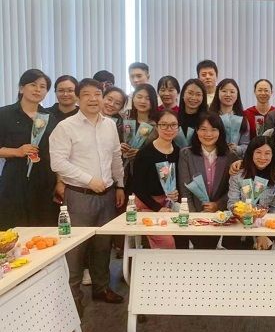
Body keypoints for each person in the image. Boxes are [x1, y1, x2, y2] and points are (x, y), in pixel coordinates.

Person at [49, 78, 126, 313]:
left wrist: (120, 185)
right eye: (86, 94)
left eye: (97, 94)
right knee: (75, 249)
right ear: (77, 98)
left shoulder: (110, 125)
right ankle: (72, 299)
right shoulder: (65, 127)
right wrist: (88, 180)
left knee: (103, 246)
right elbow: (58, 163)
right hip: (79, 196)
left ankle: (101, 288)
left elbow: (115, 157)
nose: (93, 99)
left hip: (108, 196)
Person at [0, 69, 59, 228]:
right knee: (14, 227)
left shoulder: (50, 117)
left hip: (45, 180)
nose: (38, 89)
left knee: (44, 227)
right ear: (21, 88)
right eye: (33, 84)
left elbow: (57, 152)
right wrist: (16, 151)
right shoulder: (4, 114)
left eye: (42, 86)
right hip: (15, 179)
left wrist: (60, 181)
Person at [178, 112, 239, 250]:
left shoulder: (230, 156)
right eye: (203, 129)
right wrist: (195, 219)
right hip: (195, 216)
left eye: (213, 129)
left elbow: (233, 190)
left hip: (221, 217)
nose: (208, 134)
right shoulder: (186, 154)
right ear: (196, 131)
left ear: (220, 132)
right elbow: (185, 190)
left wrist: (218, 205)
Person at [131, 110, 181, 249]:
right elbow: (138, 187)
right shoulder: (145, 153)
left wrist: (176, 193)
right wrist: (157, 208)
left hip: (169, 204)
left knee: (184, 233)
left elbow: (177, 180)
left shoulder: (178, 151)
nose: (169, 129)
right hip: (146, 205)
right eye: (164, 125)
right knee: (167, 242)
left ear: (178, 128)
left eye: (173, 125)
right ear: (157, 127)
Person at [227, 136, 275, 249]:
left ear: (273, 155)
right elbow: (232, 203)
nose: (263, 157)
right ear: (251, 153)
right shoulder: (238, 174)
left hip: (265, 226)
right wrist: (244, 218)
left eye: (267, 153)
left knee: (264, 246)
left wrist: (262, 233)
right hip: (239, 226)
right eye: (258, 152)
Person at [209, 78, 250, 156]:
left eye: (232, 92)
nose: (228, 94)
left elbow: (246, 145)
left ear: (237, 95)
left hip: (235, 160)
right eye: (224, 91)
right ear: (217, 93)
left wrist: (237, 148)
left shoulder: (242, 119)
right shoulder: (209, 117)